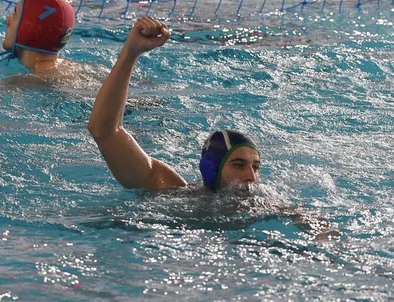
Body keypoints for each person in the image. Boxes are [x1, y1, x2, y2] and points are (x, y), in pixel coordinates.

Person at [88, 16, 339, 239]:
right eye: (238, 165)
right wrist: (132, 53)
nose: (251, 177)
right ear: (211, 168)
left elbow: (309, 220)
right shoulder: (168, 190)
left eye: (255, 167)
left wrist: (326, 237)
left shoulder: (266, 204)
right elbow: (105, 131)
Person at [0, 0, 76, 76]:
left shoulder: (27, 81)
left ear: (29, 28)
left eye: (15, 15)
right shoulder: (70, 68)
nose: (7, 20)